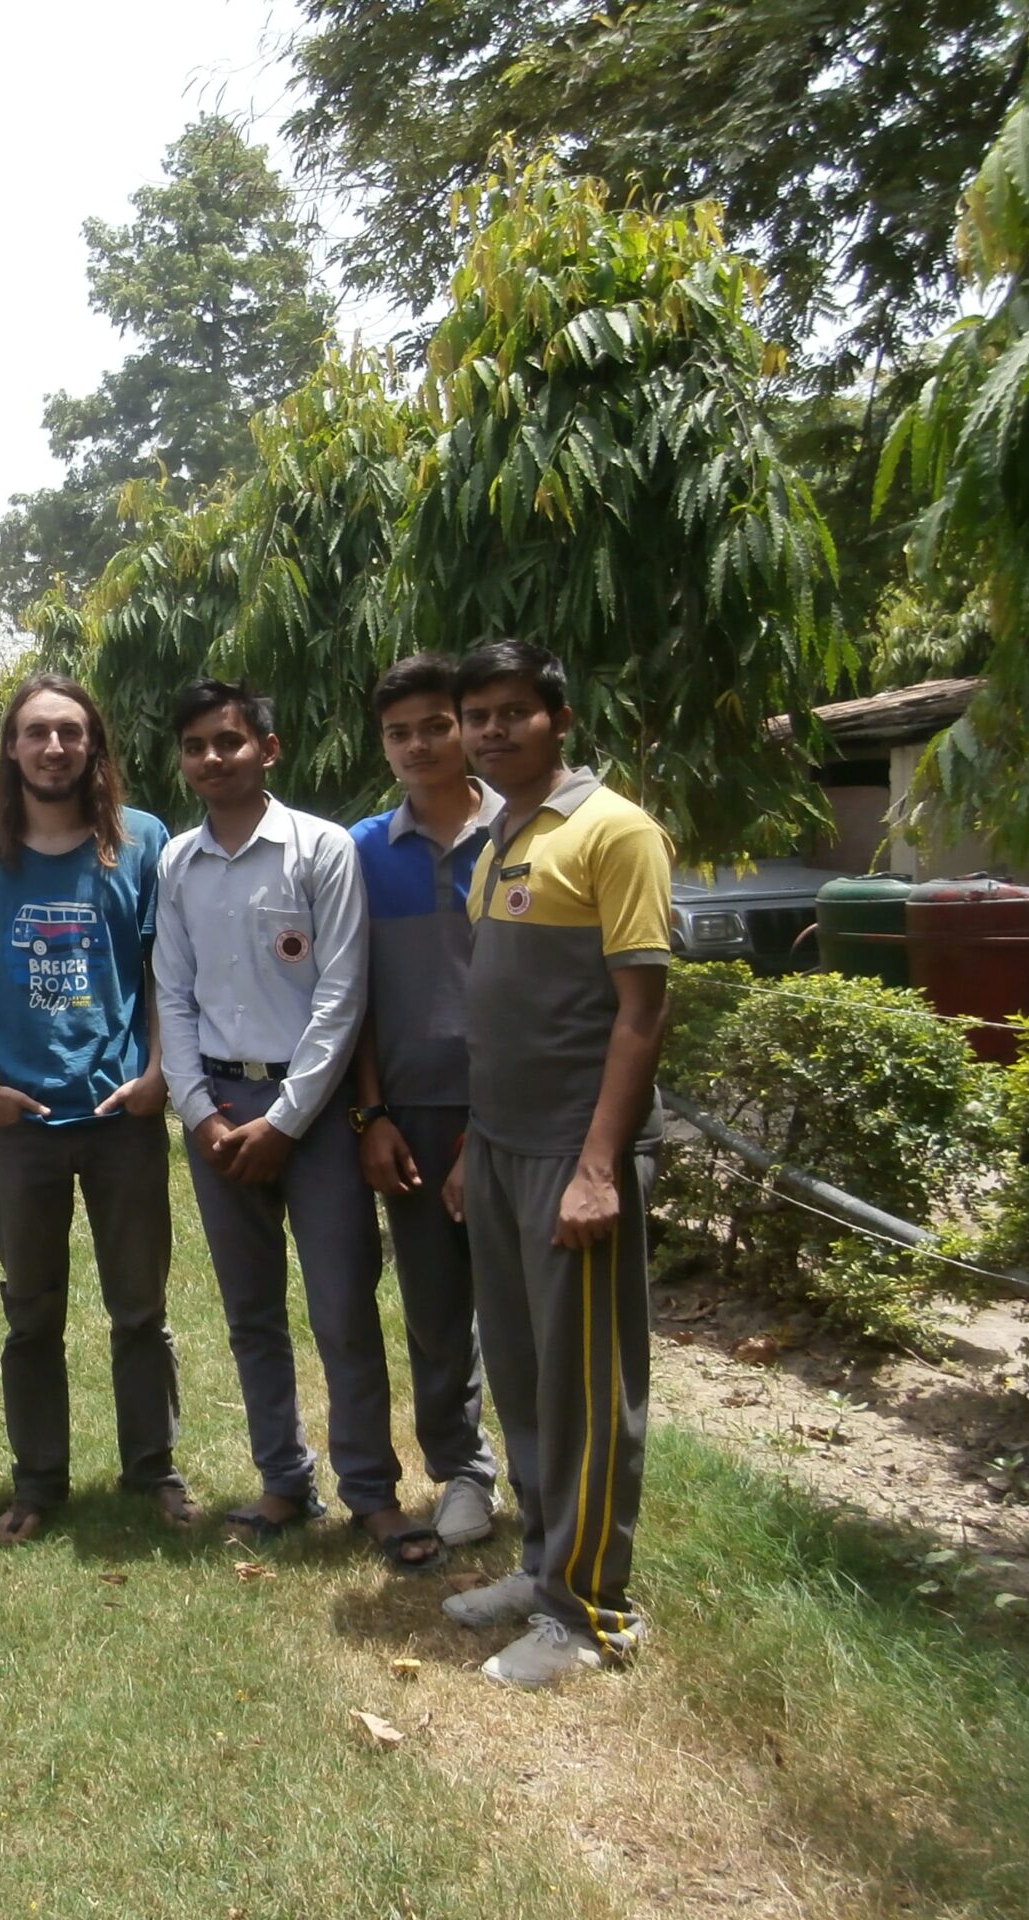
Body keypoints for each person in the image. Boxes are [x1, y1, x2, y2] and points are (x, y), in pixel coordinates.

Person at [154, 680, 439, 1568]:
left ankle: (370, 1493)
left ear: (267, 750)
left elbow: (342, 995)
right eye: (197, 744)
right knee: (250, 1313)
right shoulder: (177, 864)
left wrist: (285, 1119)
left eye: (229, 742)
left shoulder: (320, 850)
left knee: (342, 1305)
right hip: (217, 1114)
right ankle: (284, 1479)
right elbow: (172, 992)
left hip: (307, 1116)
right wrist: (199, 1109)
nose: (212, 758)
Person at [440, 639, 672, 1689]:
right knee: (527, 1377)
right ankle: (542, 1571)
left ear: (559, 720)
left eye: (511, 713)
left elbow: (640, 1011)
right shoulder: (499, 836)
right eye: (475, 716)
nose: (490, 731)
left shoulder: (615, 832)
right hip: (498, 1145)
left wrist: (595, 1167)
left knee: (585, 1389)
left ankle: (593, 1616)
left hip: (573, 1155)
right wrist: (470, 1147)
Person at [0, 672, 198, 1545]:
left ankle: (153, 1469)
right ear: (12, 746)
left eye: (70, 733)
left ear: (93, 747)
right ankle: (39, 1481)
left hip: (123, 1114)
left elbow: (164, 974)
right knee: (31, 1312)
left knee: (139, 1309)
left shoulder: (141, 841)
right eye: (36, 733)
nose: (53, 748)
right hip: (21, 1122)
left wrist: (159, 1073)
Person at [346, 655, 506, 1549]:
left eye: (435, 726)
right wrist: (373, 1117)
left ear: (467, 727)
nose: (417, 746)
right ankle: (461, 1473)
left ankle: (551, 1475)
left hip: (518, 1117)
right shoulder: (363, 851)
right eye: (399, 733)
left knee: (521, 1309)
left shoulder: (523, 835)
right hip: (411, 1116)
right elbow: (352, 996)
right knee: (437, 1311)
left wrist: (492, 1124)